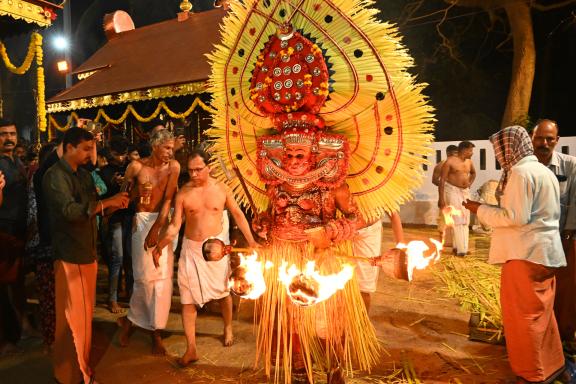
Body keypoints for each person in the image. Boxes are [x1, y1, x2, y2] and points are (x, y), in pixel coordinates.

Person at [463, 126, 575, 384]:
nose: (499, 155)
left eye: (499, 149)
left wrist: (478, 208)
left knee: (523, 318)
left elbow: (515, 217)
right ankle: (554, 365)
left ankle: (533, 373)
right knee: (542, 315)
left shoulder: (521, 173)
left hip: (525, 255)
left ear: (510, 147)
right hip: (544, 252)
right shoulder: (542, 171)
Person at [153, 149, 258, 366]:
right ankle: (191, 348)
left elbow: (238, 214)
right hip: (190, 250)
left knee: (223, 292)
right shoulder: (183, 193)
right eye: (190, 171)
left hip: (216, 249)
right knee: (187, 300)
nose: (194, 174)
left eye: (198, 170)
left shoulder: (222, 189)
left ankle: (227, 327)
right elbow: (175, 226)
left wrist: (253, 241)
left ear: (208, 167)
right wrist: (161, 245)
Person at [43, 127, 129, 384]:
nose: (90, 153)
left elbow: (91, 211)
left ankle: (75, 371)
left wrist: (113, 205)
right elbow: (70, 212)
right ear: (68, 147)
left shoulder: (84, 175)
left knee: (83, 319)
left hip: (87, 253)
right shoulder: (54, 176)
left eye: (91, 148)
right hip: (70, 256)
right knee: (72, 321)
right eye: (85, 149)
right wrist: (106, 203)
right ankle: (76, 375)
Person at [117, 129, 180, 355]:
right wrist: (129, 203)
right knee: (143, 279)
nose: (171, 152)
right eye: (167, 148)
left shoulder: (174, 167)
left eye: (172, 148)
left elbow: (168, 200)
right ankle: (131, 321)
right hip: (140, 220)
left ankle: (156, 331)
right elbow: (123, 196)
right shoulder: (136, 167)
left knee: (162, 280)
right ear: (154, 146)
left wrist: (156, 229)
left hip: (162, 223)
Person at [531, 119, 576, 351]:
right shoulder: (524, 167)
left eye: (550, 138)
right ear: (532, 138)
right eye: (540, 138)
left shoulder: (570, 166)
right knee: (535, 292)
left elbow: (575, 200)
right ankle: (536, 334)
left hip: (562, 238)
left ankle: (564, 335)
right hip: (531, 243)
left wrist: (570, 231)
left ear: (557, 140)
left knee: (565, 290)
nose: (544, 143)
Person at [0, 120, 30, 353]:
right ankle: (12, 333)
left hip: (19, 229)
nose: (9, 138)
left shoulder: (17, 161)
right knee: (6, 283)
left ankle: (21, 326)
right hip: (3, 231)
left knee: (17, 281)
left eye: (12, 133)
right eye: (3, 134)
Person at [99, 138, 130, 313]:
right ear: (111, 153)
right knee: (116, 259)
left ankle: (129, 294)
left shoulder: (130, 167)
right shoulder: (105, 171)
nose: (121, 158)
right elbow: (106, 188)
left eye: (123, 154)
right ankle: (112, 299)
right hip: (113, 218)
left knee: (129, 259)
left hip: (129, 216)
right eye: (118, 154)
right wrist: (116, 181)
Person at [354, 212, 404, 312]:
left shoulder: (376, 197)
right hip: (339, 231)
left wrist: (401, 248)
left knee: (363, 286)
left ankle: (362, 324)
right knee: (339, 284)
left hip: (368, 232)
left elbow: (393, 214)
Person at [438, 141, 476, 256]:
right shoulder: (449, 162)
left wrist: (469, 183)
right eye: (470, 150)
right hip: (452, 190)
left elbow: (473, 173)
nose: (472, 153)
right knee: (458, 219)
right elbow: (442, 181)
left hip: (465, 192)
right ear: (464, 150)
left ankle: (458, 247)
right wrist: (441, 199)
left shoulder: (469, 162)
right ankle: (461, 250)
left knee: (465, 219)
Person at [432, 145, 458, 246]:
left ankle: (455, 243)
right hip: (445, 193)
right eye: (453, 154)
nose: (455, 156)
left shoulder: (459, 164)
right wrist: (446, 186)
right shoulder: (440, 165)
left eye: (456, 154)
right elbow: (434, 180)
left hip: (456, 194)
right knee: (443, 216)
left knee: (456, 216)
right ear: (448, 154)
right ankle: (441, 243)